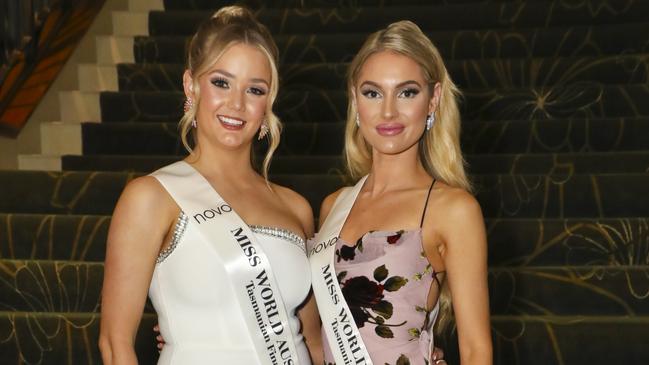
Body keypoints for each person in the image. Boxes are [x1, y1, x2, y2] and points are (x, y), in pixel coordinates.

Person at [99, 6, 322, 364]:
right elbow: (115, 344)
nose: (237, 103)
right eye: (221, 82)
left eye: (255, 89)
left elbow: (313, 340)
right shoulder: (152, 197)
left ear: (269, 102)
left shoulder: (296, 208)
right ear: (191, 85)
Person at [309, 20, 492, 365]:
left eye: (407, 92)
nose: (388, 111)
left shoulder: (453, 209)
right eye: (373, 92)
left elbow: (476, 350)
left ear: (433, 98)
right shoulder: (333, 205)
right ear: (354, 98)